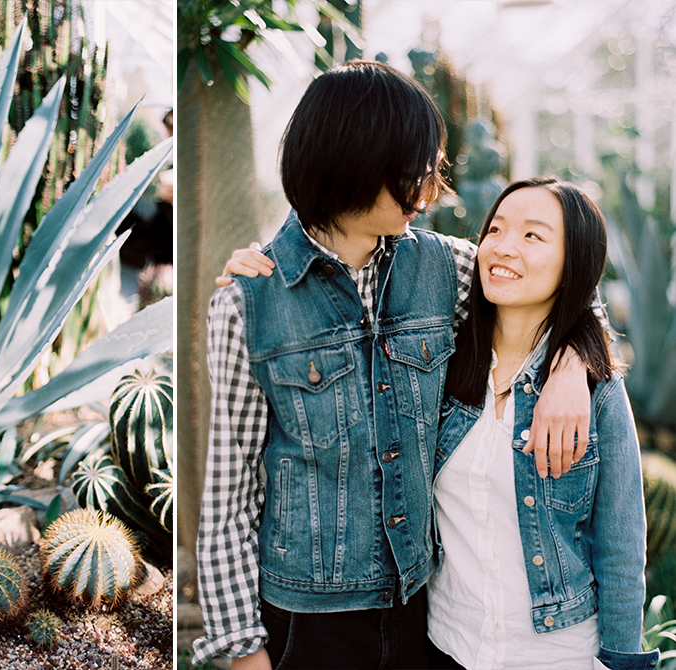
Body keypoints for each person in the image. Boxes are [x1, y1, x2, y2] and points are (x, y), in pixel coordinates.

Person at [192, 60, 593, 670]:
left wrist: (570, 365)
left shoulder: (444, 269)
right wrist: (243, 650)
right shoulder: (247, 305)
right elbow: (229, 497)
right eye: (417, 173)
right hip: (307, 624)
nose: (432, 193)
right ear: (357, 162)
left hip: (420, 615)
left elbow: (564, 284)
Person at [426, 177, 657, 670]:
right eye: (496, 230)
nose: (504, 247)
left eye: (533, 236)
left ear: (573, 264)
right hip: (447, 644)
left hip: (558, 655)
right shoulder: (442, 366)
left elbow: (620, 548)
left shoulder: (597, 392)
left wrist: (620, 662)